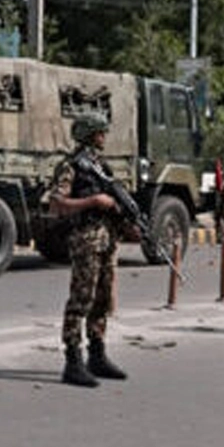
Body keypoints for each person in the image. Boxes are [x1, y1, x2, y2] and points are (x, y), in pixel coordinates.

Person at [48, 111, 131, 388]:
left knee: (103, 299)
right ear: (89, 134)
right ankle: (73, 361)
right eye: (100, 132)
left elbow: (114, 199)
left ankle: (97, 354)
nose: (104, 137)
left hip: (107, 238)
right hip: (86, 238)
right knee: (81, 299)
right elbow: (57, 203)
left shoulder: (101, 166)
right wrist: (94, 201)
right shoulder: (70, 166)